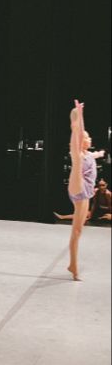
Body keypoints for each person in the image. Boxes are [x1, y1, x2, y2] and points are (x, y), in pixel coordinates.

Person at [57, 99, 102, 280]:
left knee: (78, 230)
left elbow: (97, 154)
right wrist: (78, 117)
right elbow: (76, 134)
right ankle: (74, 266)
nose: (89, 139)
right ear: (81, 141)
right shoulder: (77, 151)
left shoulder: (90, 154)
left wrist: (101, 154)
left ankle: (72, 264)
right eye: (87, 137)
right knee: (76, 161)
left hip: (86, 191)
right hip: (78, 184)